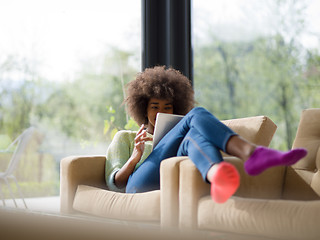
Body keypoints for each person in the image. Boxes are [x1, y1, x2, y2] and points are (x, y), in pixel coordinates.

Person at [105, 66, 307, 203]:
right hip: (137, 185)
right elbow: (115, 183)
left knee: (193, 137)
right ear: (142, 107)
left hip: (169, 180)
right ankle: (251, 153)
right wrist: (134, 158)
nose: (160, 113)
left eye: (167, 108)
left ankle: (217, 176)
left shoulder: (177, 136)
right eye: (154, 106)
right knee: (197, 115)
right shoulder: (125, 137)